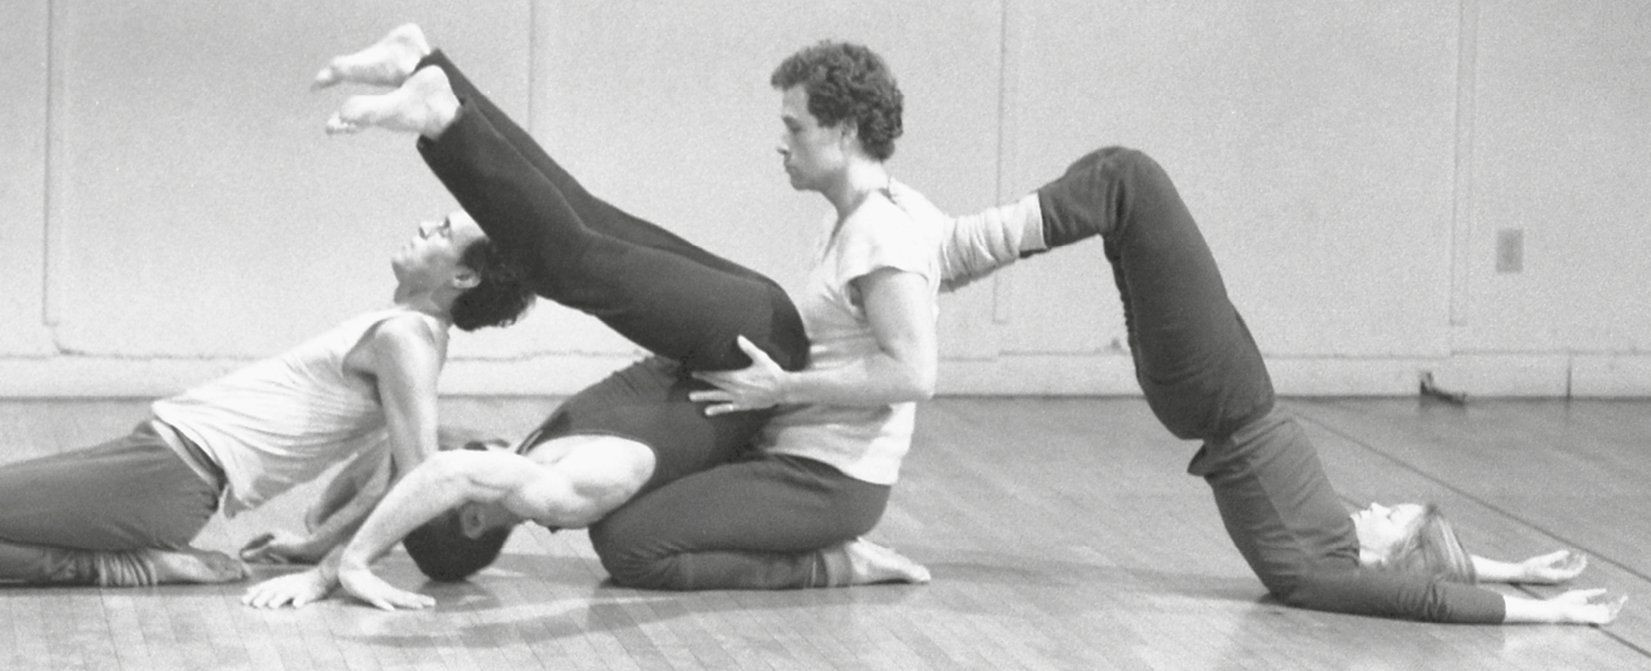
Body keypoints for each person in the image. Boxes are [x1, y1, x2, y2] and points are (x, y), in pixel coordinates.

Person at [243, 26, 935, 611]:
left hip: (751, 351)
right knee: (577, 234)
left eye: (794, 126)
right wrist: (334, 553)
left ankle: (439, 99)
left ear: (844, 131)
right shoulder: (564, 483)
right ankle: (430, 79)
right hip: (746, 347)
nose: (781, 143)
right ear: (475, 509)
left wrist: (335, 559)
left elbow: (426, 472)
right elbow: (428, 472)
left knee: (569, 251)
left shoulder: (877, 228)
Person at [930, 145, 1626, 625]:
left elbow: (1433, 600)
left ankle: (954, 252)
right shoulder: (1336, 552)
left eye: (1394, 515)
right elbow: (1437, 575)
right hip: (1213, 386)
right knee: (1118, 200)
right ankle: (958, 264)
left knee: (1132, 180)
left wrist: (1549, 612)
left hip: (1217, 387)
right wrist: (1518, 566)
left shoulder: (1327, 570)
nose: (1379, 503)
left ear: (1389, 556)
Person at [0, 210, 535, 586]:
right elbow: (402, 472)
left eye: (441, 230)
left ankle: (138, 568)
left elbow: (419, 479)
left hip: (167, 478)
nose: (423, 226)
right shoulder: (411, 337)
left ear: (462, 276)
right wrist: (316, 545)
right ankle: (138, 557)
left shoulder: (408, 340)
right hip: (152, 460)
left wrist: (337, 568)